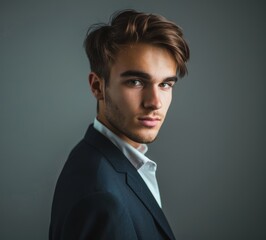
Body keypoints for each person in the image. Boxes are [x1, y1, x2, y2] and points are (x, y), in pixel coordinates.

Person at [49, 9, 189, 240]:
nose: (154, 102)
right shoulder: (101, 195)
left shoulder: (99, 159)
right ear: (97, 86)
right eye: (135, 82)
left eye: (165, 84)